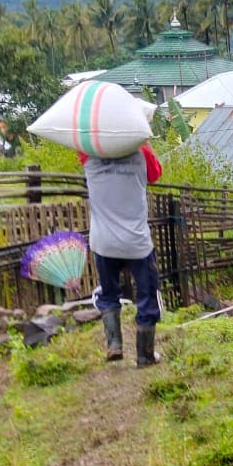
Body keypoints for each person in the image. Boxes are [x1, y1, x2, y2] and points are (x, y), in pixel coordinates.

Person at [81, 144, 163, 367]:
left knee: (109, 293)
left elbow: (79, 138)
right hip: (136, 243)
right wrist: (144, 143)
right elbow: (155, 174)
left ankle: (114, 344)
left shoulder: (88, 154)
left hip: (103, 242)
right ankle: (145, 355)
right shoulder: (141, 151)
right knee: (147, 295)